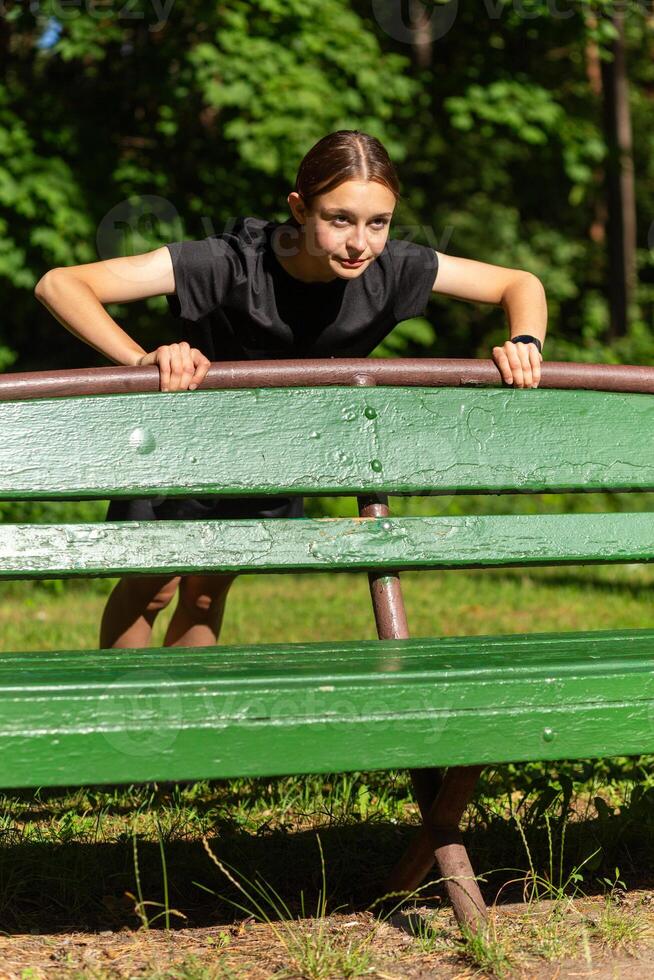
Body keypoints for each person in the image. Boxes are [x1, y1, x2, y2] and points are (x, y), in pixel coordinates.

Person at [34, 129, 547, 651]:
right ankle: (129, 720)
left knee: (208, 590)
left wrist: (525, 340)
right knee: (155, 586)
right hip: (179, 442)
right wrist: (142, 358)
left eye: (379, 223)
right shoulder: (231, 263)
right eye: (339, 219)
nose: (359, 243)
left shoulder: (391, 267)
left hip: (272, 449)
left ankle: (183, 722)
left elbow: (520, 283)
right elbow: (60, 284)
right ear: (300, 210)